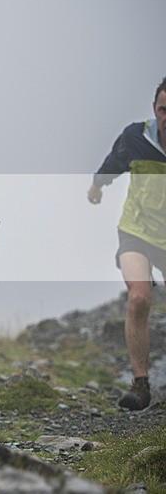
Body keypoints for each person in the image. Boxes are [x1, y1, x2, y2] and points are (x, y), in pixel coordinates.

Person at [87, 76, 166, 410]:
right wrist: (97, 186)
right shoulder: (137, 137)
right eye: (164, 109)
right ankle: (140, 385)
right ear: (154, 109)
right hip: (136, 230)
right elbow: (113, 162)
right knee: (138, 297)